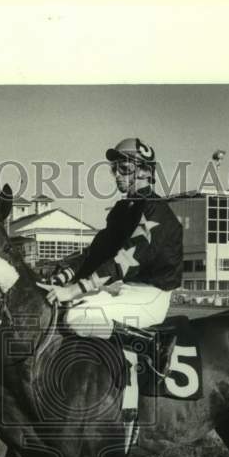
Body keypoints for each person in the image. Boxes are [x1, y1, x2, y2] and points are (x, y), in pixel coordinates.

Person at [38, 137, 184, 374]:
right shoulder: (123, 209)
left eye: (124, 168)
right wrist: (63, 276)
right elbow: (95, 254)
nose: (117, 174)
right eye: (115, 169)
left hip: (151, 296)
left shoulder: (156, 211)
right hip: (124, 290)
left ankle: (153, 344)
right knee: (66, 307)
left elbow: (123, 262)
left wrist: (75, 289)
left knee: (77, 316)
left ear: (145, 172)